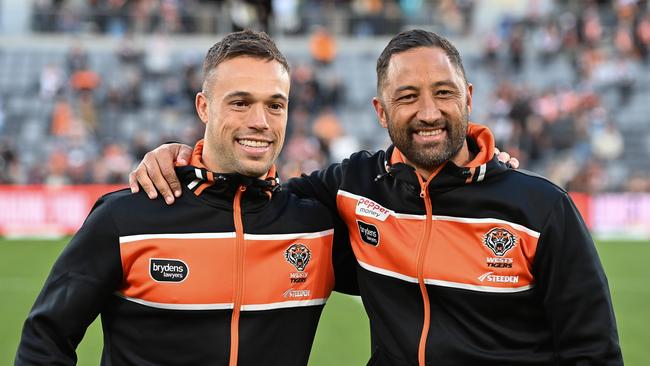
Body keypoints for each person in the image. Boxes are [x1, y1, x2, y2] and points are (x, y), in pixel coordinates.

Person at [132, 29, 623, 365]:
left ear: (469, 97)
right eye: (407, 96)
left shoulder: (541, 208)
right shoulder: (353, 185)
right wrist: (182, 157)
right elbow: (251, 196)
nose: (428, 112)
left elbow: (593, 351)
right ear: (381, 112)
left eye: (444, 93)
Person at [15, 30, 357, 366]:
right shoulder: (126, 218)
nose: (260, 122)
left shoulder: (315, 226)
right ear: (204, 107)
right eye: (240, 103)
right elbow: (44, 341)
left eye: (275, 105)